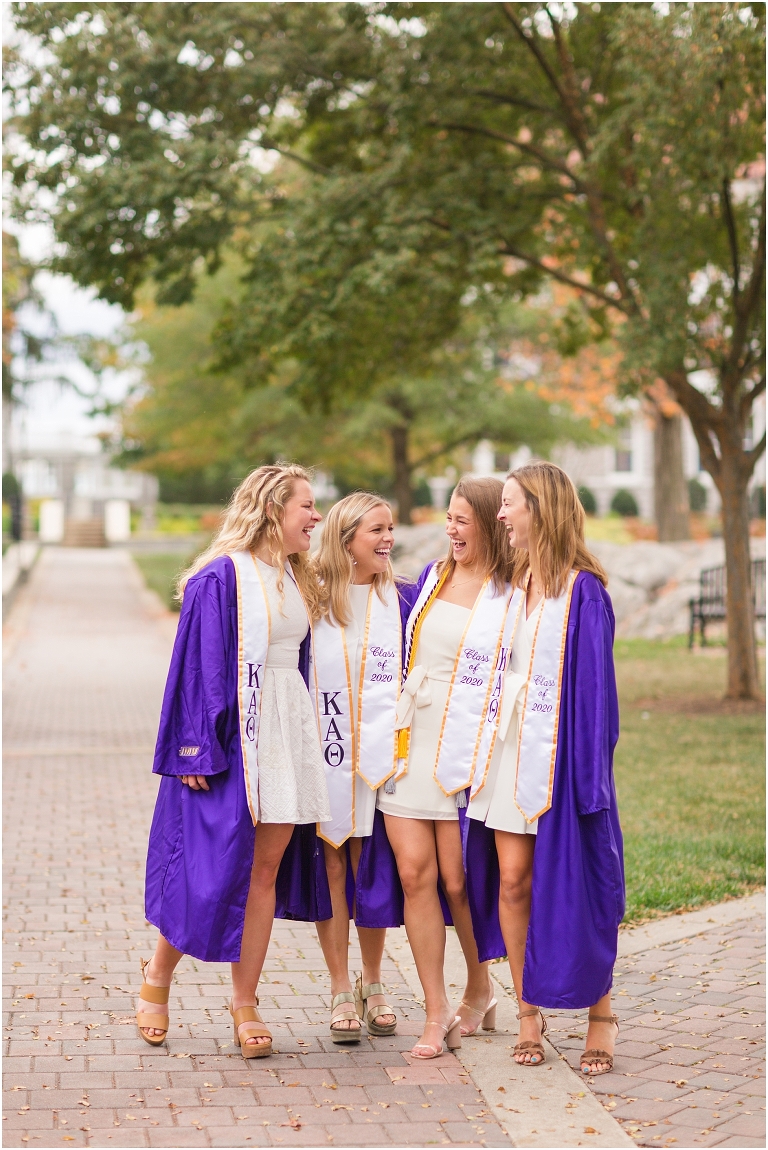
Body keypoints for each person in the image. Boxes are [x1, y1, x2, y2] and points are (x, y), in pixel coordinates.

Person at [138, 464, 332, 1059]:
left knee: (263, 870)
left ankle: (244, 1001)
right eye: (306, 506)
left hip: (285, 730)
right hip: (235, 736)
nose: (316, 517)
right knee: (212, 868)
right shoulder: (221, 578)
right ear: (274, 509)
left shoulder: (296, 577)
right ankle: (158, 973)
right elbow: (193, 667)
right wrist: (195, 744)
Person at [464, 461, 624, 1075]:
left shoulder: (584, 592)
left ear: (541, 509)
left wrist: (588, 783)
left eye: (509, 504)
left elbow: (597, 697)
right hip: (508, 755)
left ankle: (600, 1013)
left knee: (575, 886)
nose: (500, 515)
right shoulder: (513, 584)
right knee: (513, 882)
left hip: (562, 762)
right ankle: (530, 1013)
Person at [378, 476, 515, 1058]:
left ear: (488, 522)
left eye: (463, 520)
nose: (451, 529)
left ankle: (479, 986)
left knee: (458, 881)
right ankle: (436, 1013)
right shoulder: (433, 578)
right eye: (450, 518)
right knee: (415, 876)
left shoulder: (511, 592)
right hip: (412, 740)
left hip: (467, 746)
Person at [310, 493, 410, 1042]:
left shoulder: (402, 598)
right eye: (376, 529)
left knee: (372, 869)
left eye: (390, 528)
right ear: (347, 537)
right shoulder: (312, 600)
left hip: (384, 760)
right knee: (332, 868)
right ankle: (338, 987)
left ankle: (374, 982)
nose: (387, 539)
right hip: (328, 754)